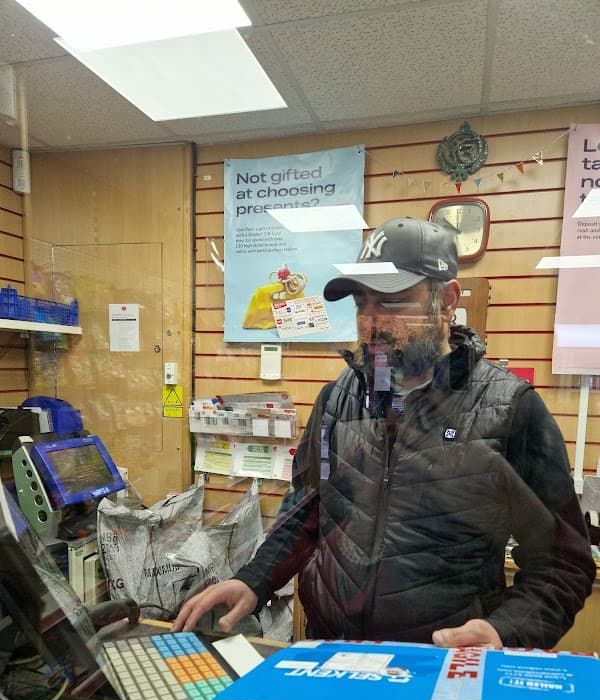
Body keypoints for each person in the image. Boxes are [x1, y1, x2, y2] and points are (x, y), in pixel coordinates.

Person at [174, 217, 595, 650]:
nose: (370, 322)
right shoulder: (338, 399)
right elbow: (307, 511)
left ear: (447, 302)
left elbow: (563, 564)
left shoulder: (511, 410)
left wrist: (502, 631)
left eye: (392, 302)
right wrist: (255, 580)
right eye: (361, 302)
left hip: (441, 666)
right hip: (333, 653)